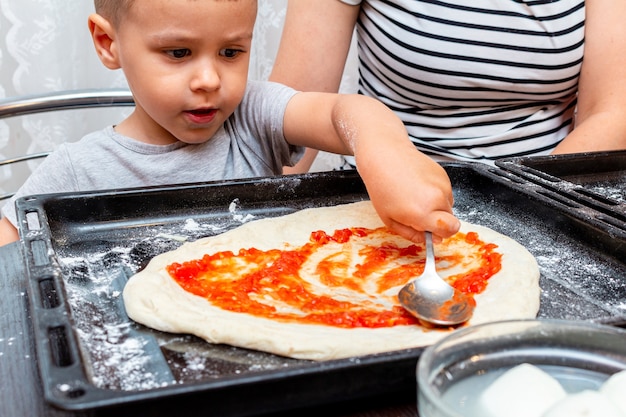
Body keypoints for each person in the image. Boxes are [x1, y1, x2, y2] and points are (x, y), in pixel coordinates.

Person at [0, 0, 460, 246]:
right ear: (108, 43)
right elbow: (10, 238)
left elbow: (347, 113)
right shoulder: (78, 169)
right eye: (178, 53)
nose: (209, 80)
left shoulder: (252, 117)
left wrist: (385, 153)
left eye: (231, 52)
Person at [272, 0, 626, 173]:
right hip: (380, 201)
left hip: (546, 196)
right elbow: (290, 112)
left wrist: (522, 206)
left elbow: (610, 114)